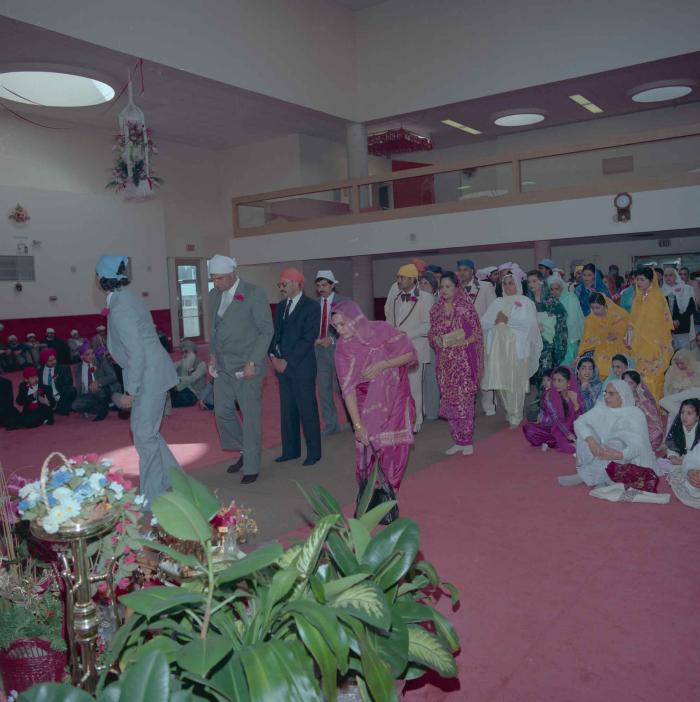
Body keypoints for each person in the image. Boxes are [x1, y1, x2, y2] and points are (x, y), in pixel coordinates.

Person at [97, 254, 181, 506]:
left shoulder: (120, 307)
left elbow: (135, 353)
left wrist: (131, 392)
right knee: (147, 433)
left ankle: (153, 496)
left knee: (144, 435)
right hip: (152, 370)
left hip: (147, 375)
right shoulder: (129, 297)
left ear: (101, 279)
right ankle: (174, 480)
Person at [331, 300, 416, 491]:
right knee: (371, 445)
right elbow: (348, 389)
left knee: (392, 447)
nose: (340, 330)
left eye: (343, 324)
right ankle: (373, 490)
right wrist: (357, 425)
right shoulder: (342, 350)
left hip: (395, 396)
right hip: (365, 400)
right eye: (336, 326)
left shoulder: (382, 329)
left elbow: (409, 354)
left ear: (355, 319)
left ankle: (391, 490)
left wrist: (382, 365)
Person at [208, 255, 274, 482]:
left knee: (251, 416)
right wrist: (212, 357)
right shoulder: (214, 295)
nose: (216, 283)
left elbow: (266, 331)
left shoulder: (254, 293)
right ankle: (245, 449)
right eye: (213, 279)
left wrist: (253, 361)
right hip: (223, 365)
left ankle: (252, 465)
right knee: (222, 412)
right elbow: (214, 329)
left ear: (232, 274)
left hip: (247, 366)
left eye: (219, 279)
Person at [558, 379, 656, 487]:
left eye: (611, 394)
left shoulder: (634, 414)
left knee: (615, 444)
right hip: (601, 451)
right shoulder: (601, 407)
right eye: (605, 393)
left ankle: (585, 477)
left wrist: (620, 455)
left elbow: (638, 445)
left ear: (622, 395)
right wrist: (591, 441)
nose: (606, 397)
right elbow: (580, 422)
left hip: (627, 457)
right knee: (585, 435)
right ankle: (599, 476)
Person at [269, 267, 322, 466]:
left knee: (307, 410)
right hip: (282, 367)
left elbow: (307, 339)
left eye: (285, 284)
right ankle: (290, 451)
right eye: (280, 284)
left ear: (298, 284)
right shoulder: (281, 306)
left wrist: (287, 361)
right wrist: (273, 356)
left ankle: (314, 453)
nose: (281, 288)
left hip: (301, 367)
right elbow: (275, 334)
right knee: (287, 410)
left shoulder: (311, 307)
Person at [428, 272, 484, 455]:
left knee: (464, 400)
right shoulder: (436, 310)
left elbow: (477, 332)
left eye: (448, 286)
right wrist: (434, 339)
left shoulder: (465, 308)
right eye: (442, 287)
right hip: (445, 362)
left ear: (456, 287)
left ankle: (467, 440)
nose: (444, 290)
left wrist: (465, 342)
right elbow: (432, 333)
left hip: (463, 360)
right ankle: (457, 440)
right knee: (450, 400)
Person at [481, 273, 542, 428]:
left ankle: (516, 414)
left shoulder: (526, 302)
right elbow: (484, 322)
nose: (508, 287)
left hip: (517, 348)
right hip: (498, 348)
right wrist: (495, 321)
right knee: (501, 382)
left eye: (511, 283)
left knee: (516, 382)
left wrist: (508, 321)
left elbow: (530, 325)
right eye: (505, 283)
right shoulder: (497, 302)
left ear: (518, 285)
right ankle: (509, 410)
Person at [384, 263, 434, 433]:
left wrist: (407, 334)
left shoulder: (426, 298)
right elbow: (390, 319)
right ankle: (401, 418)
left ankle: (416, 420)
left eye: (402, 277)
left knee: (414, 387)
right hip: (397, 349)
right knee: (398, 387)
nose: (399, 280)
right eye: (398, 277)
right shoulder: (397, 297)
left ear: (413, 279)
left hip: (416, 348)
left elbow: (429, 326)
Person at [457, 258, 497, 415]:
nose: (462, 272)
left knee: (484, 371)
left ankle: (489, 406)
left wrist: (481, 326)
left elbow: (493, 310)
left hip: (482, 335)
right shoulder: (455, 289)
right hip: (461, 337)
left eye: (466, 269)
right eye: (460, 270)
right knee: (464, 372)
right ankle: (467, 406)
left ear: (473, 271)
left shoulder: (485, 287)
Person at [628, 267, 674, 402]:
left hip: (653, 343)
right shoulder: (638, 297)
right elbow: (633, 319)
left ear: (651, 280)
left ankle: (655, 408)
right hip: (640, 343)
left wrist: (650, 338)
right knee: (640, 375)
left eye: (642, 280)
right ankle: (644, 409)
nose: (639, 282)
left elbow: (660, 323)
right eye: (637, 279)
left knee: (653, 377)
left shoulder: (656, 298)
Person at [314, 270, 350, 436]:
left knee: (343, 389)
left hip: (339, 351)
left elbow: (350, 327)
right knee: (324, 390)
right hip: (320, 352)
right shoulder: (314, 304)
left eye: (324, 285)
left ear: (332, 285)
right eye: (318, 285)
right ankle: (331, 425)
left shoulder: (344, 303)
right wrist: (313, 339)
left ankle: (353, 421)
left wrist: (333, 339)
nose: (321, 288)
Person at [523, 366, 582, 453]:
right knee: (528, 429)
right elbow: (556, 419)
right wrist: (568, 434)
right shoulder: (549, 397)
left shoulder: (574, 394)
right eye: (554, 380)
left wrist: (576, 404)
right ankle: (553, 442)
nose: (555, 384)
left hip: (573, 427)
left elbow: (580, 418)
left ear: (569, 383)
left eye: (560, 380)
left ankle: (551, 442)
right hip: (556, 427)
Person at [526, 270, 568, 392]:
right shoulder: (528, 301)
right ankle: (542, 402)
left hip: (549, 342)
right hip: (534, 341)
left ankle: (549, 401)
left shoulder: (550, 299)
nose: (531, 284)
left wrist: (547, 323)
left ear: (541, 282)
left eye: (534, 281)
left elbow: (562, 316)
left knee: (547, 371)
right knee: (537, 372)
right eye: (529, 282)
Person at [576, 293, 630, 380]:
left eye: (598, 308)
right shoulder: (590, 320)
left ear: (605, 305)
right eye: (593, 308)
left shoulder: (617, 316)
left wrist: (617, 335)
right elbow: (586, 339)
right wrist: (602, 338)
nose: (595, 311)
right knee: (601, 367)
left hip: (618, 347)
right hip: (600, 349)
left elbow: (626, 328)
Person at [664, 399, 700, 508]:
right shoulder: (679, 426)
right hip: (683, 459)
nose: (684, 416)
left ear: (698, 416)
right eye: (682, 413)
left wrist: (685, 460)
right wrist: (672, 456)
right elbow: (672, 444)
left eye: (689, 413)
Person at [72, 342, 117, 421]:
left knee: (97, 390)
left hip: (101, 390)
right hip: (87, 395)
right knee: (75, 406)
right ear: (81, 356)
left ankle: (103, 409)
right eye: (87, 354)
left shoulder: (101, 361)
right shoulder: (77, 368)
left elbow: (112, 376)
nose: (92, 356)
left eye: (92, 353)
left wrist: (98, 382)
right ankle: (104, 406)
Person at [547, 273, 584, 366]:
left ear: (562, 288)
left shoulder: (571, 298)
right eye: (551, 289)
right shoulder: (549, 301)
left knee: (566, 367)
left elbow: (573, 321)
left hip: (569, 340)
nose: (554, 292)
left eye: (557, 289)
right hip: (553, 340)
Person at [622, 370, 664, 450]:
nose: (626, 385)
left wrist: (642, 400)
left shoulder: (641, 400)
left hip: (642, 431)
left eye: (630, 383)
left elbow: (654, 419)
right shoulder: (617, 397)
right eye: (624, 382)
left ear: (637, 385)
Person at [418, 272, 440, 422]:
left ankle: (433, 412)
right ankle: (423, 409)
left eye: (426, 283)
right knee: (420, 378)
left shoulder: (438, 301)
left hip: (433, 345)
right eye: (421, 283)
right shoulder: (416, 301)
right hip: (419, 344)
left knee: (432, 379)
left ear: (433, 286)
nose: (422, 286)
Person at [659, 349, 700, 420]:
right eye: (677, 363)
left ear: (688, 361)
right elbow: (667, 388)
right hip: (679, 400)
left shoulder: (697, 367)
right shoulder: (672, 370)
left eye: (681, 363)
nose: (679, 366)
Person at [662, 267, 696, 350]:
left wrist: (678, 321)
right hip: (667, 329)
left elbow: (691, 308)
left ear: (676, 276)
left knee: (684, 355)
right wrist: (670, 321)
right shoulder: (661, 291)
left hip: (682, 327)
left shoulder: (686, 289)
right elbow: (659, 310)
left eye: (670, 275)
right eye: (665, 276)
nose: (668, 278)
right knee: (670, 355)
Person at [40, 347, 76, 416]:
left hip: (60, 396)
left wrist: (56, 380)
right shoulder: (39, 372)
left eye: (54, 359)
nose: (53, 362)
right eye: (50, 361)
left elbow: (68, 384)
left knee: (71, 390)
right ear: (44, 361)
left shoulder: (64, 368)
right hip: (47, 398)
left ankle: (59, 407)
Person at [170, 340, 207, 408]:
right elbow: (171, 367)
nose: (184, 355)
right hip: (179, 389)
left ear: (193, 352)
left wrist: (176, 379)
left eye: (186, 352)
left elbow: (192, 378)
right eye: (182, 353)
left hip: (194, 394)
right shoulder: (182, 362)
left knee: (180, 399)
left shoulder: (202, 364)